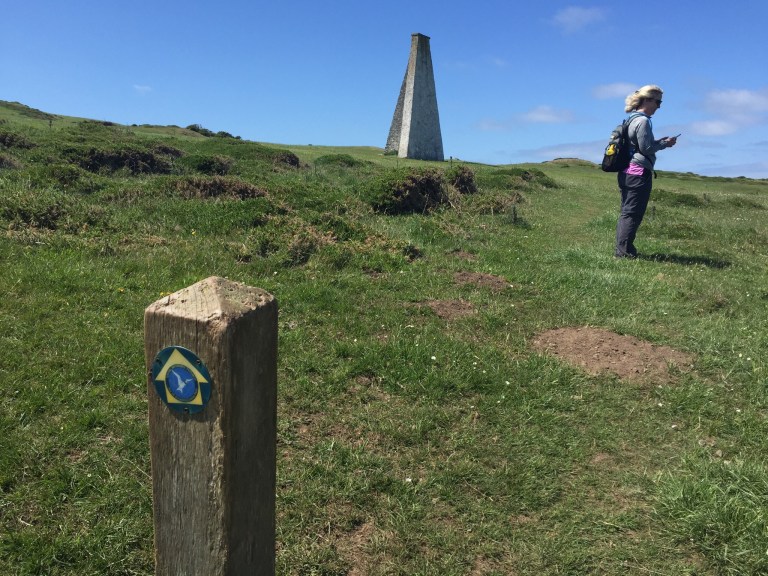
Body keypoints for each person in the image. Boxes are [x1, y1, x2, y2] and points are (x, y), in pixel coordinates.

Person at [615, 84, 677, 258]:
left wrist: (659, 141)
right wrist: (666, 144)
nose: (659, 106)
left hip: (627, 171)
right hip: (638, 172)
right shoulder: (642, 121)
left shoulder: (631, 119)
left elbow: (639, 145)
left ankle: (624, 249)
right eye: (658, 102)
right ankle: (623, 252)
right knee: (632, 213)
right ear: (648, 100)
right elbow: (646, 148)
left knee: (627, 211)